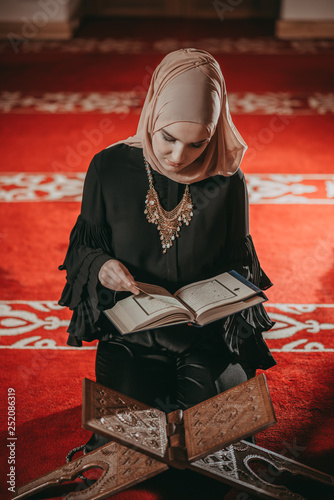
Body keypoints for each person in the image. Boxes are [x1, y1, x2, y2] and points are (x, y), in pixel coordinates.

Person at [59, 48, 276, 453]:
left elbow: (239, 265)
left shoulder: (228, 181)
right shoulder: (108, 167)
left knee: (213, 444)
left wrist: (223, 298)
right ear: (153, 114)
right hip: (132, 335)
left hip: (204, 336)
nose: (179, 157)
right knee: (132, 443)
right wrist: (101, 266)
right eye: (168, 138)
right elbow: (83, 249)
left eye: (197, 145)